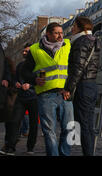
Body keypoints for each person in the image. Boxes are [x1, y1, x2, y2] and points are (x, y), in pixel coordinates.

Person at [21, 22, 74, 156]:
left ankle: (64, 153)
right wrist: (34, 79)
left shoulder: (68, 45)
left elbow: (74, 68)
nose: (60, 36)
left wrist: (70, 88)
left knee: (69, 128)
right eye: (56, 33)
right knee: (49, 131)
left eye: (61, 32)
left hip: (65, 94)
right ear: (48, 34)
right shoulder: (34, 49)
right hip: (45, 95)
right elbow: (25, 71)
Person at [63, 16, 99, 156]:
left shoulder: (81, 42)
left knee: (83, 125)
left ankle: (88, 153)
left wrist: (68, 89)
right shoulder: (95, 41)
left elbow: (78, 68)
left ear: (80, 27)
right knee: (88, 124)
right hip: (91, 85)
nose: (72, 29)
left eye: (74, 26)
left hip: (83, 85)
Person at [4, 44, 39, 155]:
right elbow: (14, 79)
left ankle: (30, 148)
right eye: (23, 51)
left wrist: (31, 85)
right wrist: (16, 83)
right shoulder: (20, 65)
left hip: (34, 98)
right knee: (14, 121)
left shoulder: (38, 65)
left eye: (26, 51)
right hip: (21, 97)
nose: (24, 53)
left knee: (33, 125)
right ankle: (10, 147)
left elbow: (42, 80)